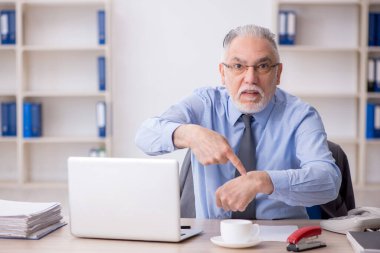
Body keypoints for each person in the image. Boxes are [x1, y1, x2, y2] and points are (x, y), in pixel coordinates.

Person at [135, 24, 342, 219]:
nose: (250, 78)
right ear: (223, 73)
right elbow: (145, 135)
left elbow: (328, 182)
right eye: (238, 66)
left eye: (262, 66)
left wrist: (264, 181)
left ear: (278, 73)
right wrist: (190, 134)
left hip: (280, 238)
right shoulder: (205, 103)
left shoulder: (300, 115)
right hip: (210, 237)